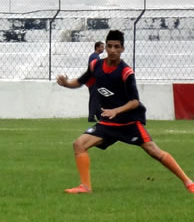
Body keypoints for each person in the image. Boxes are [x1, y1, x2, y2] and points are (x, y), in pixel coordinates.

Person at [57, 30, 194, 194]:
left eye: (116, 46)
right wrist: (66, 83)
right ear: (105, 47)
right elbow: (80, 81)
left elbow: (135, 101)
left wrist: (116, 110)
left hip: (129, 122)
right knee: (79, 144)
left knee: (154, 151)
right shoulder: (96, 65)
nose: (113, 50)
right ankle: (85, 187)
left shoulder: (125, 72)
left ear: (122, 48)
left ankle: (189, 183)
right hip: (108, 122)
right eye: (109, 46)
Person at [86, 41, 105, 122]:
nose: (103, 48)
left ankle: (99, 116)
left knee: (96, 98)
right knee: (94, 98)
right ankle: (91, 117)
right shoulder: (95, 57)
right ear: (97, 47)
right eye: (102, 47)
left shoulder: (94, 56)